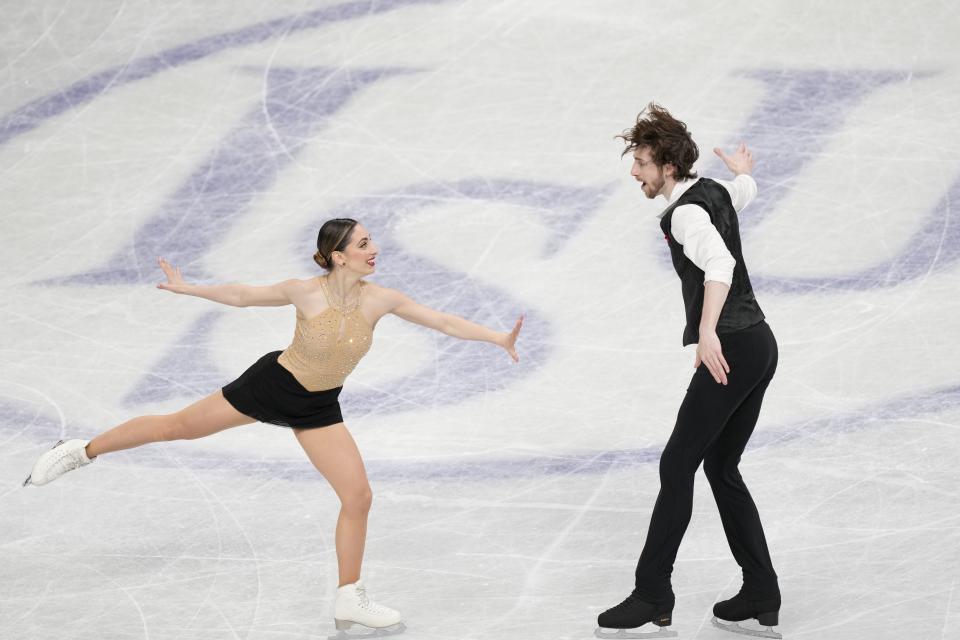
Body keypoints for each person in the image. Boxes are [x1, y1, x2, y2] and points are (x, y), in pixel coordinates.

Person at [24, 218, 523, 636]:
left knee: (358, 497)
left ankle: (349, 596)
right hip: (272, 385)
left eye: (372, 241)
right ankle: (80, 450)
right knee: (178, 427)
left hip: (319, 406)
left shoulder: (381, 299)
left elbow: (445, 323)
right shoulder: (305, 292)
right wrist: (190, 288)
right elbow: (244, 295)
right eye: (364, 244)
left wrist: (497, 337)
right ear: (337, 256)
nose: (375, 249)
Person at [596, 104, 782, 639]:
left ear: (668, 168)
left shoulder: (684, 214)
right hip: (759, 344)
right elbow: (742, 194)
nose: (635, 172)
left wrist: (706, 333)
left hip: (732, 348)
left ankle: (653, 593)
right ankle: (761, 592)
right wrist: (744, 170)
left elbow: (720, 265)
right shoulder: (715, 191)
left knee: (678, 465)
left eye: (643, 163)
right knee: (721, 467)